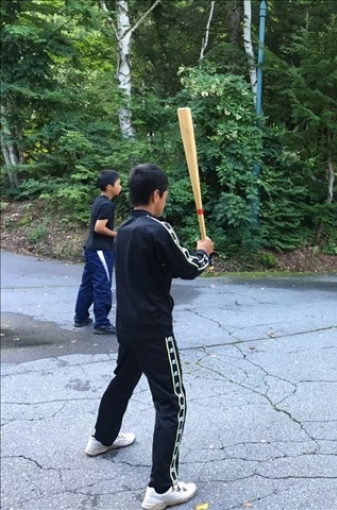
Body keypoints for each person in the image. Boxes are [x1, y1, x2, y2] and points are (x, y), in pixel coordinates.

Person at [84, 164, 214, 510]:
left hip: (127, 324)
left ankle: (101, 438)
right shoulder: (158, 228)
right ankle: (161, 487)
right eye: (165, 195)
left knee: (123, 381)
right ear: (157, 195)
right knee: (172, 403)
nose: (165, 200)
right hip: (154, 328)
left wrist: (197, 255)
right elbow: (189, 268)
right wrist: (205, 251)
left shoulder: (125, 229)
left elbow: (167, 266)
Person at [73, 170, 122, 334]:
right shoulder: (107, 205)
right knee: (102, 285)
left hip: (92, 249)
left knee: (87, 284)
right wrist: (117, 234)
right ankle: (101, 323)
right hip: (101, 249)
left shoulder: (98, 201)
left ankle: (80, 317)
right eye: (118, 184)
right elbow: (99, 227)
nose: (120, 187)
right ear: (109, 187)